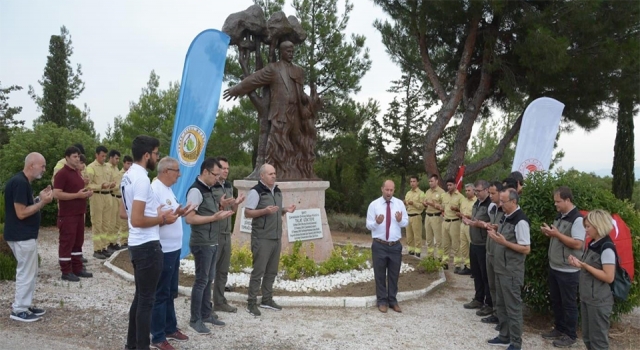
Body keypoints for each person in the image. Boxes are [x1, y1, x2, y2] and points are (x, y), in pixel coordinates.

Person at [223, 41, 319, 180]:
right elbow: (253, 80)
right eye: (288, 51)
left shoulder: (298, 71)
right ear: (281, 52)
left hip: (295, 112)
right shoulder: (273, 69)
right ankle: (275, 172)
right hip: (280, 113)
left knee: (299, 141)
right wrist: (236, 89)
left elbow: (300, 94)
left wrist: (312, 101)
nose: (291, 54)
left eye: (292, 51)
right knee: (276, 143)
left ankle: (304, 171)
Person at [121, 135, 179, 350]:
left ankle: (132, 345)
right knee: (146, 301)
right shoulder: (142, 179)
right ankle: (141, 346)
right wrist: (162, 218)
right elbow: (136, 220)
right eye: (156, 153)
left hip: (137, 245)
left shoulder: (127, 176)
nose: (157, 157)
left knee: (140, 299)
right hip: (147, 246)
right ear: (147, 155)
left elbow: (125, 213)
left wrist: (157, 213)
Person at [185, 157, 233, 333]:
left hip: (213, 241)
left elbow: (210, 211)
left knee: (208, 280)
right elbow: (189, 218)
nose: (217, 178)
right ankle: (195, 319)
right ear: (205, 172)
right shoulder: (196, 191)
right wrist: (214, 217)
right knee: (201, 281)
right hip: (202, 242)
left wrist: (221, 207)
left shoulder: (209, 189)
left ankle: (206, 314)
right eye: (215, 175)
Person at [150, 157, 193, 350]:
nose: (179, 174)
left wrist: (180, 211)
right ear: (166, 171)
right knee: (160, 293)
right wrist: (165, 218)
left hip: (174, 249)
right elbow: (150, 219)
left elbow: (170, 214)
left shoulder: (167, 190)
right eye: (176, 170)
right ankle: (158, 336)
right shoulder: (154, 189)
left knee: (169, 292)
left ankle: (170, 327)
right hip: (163, 249)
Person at [4, 153, 53, 322]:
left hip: (24, 235)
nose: (44, 169)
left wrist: (39, 197)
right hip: (21, 235)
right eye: (43, 165)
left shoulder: (23, 182)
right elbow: (21, 212)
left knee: (31, 271)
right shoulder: (19, 183)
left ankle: (25, 304)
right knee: (26, 272)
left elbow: (27, 205)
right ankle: (19, 309)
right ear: (31, 165)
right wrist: (43, 203)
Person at [244, 164, 296, 316]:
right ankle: (251, 302)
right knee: (258, 270)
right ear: (262, 176)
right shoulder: (256, 192)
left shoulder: (277, 191)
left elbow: (276, 212)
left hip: (275, 237)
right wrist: (264, 211)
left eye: (274, 173)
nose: (274, 176)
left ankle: (267, 299)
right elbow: (248, 213)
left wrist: (285, 210)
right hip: (262, 237)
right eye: (270, 174)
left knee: (272, 271)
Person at [540, 186, 585, 348]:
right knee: (556, 301)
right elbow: (560, 237)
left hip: (568, 270)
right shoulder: (560, 216)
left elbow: (578, 243)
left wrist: (557, 235)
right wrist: (550, 233)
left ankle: (570, 335)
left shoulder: (578, 219)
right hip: (555, 267)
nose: (556, 205)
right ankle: (559, 328)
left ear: (567, 200)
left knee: (569, 303)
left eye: (558, 201)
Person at [487, 188, 531, 350]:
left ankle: (516, 342)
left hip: (511, 271)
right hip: (500, 268)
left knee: (512, 307)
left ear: (513, 202)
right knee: (501, 304)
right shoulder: (507, 217)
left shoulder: (521, 221)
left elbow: (526, 248)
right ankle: (504, 336)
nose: (500, 204)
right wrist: (497, 230)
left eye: (503, 202)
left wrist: (504, 242)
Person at [568, 210, 616, 350]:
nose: (586, 230)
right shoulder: (594, 243)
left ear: (598, 226)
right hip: (588, 297)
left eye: (588, 226)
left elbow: (609, 276)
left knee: (598, 342)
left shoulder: (606, 247)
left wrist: (584, 266)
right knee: (588, 338)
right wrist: (578, 263)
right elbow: (588, 266)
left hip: (598, 300)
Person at [366, 180, 409, 313]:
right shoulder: (374, 205)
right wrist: (377, 222)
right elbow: (368, 225)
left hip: (395, 246)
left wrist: (400, 220)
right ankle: (382, 301)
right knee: (379, 274)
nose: (389, 192)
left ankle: (392, 300)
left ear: (393, 190)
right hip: (380, 245)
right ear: (382, 189)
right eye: (387, 190)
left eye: (391, 190)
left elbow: (405, 223)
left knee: (394, 274)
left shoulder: (399, 204)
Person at [52, 146, 94, 282]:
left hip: (79, 213)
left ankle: (77, 268)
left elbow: (77, 191)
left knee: (78, 242)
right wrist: (77, 195)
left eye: (78, 156)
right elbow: (57, 193)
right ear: (67, 158)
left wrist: (86, 192)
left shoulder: (77, 172)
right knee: (66, 242)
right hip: (68, 214)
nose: (77, 159)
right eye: (75, 157)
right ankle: (66, 271)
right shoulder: (62, 173)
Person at [212, 156, 245, 313]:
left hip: (226, 233)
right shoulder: (210, 187)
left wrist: (236, 204)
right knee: (209, 271)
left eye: (227, 169)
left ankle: (219, 301)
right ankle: (205, 306)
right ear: (216, 169)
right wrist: (220, 204)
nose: (226, 171)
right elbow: (205, 210)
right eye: (223, 168)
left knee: (223, 270)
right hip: (213, 233)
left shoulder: (228, 186)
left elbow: (231, 212)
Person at [461, 180, 492, 316]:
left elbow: (493, 223)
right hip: (474, 242)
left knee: (486, 275)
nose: (476, 193)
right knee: (477, 274)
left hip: (484, 244)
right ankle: (478, 299)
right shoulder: (477, 203)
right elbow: (476, 219)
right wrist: (469, 219)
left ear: (486, 190)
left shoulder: (491, 205)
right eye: (476, 191)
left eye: (478, 191)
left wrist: (480, 224)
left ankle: (489, 303)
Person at [86, 145, 115, 259]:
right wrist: (100, 186)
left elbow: (113, 180)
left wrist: (112, 184)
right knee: (97, 224)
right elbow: (88, 185)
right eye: (102, 156)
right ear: (96, 155)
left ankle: (104, 247)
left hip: (108, 196)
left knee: (106, 224)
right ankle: (97, 249)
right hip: (97, 196)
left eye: (105, 156)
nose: (104, 158)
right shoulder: (91, 167)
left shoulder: (108, 167)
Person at [481, 181, 504, 325]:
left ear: (501, 193)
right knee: (492, 285)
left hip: (499, 253)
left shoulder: (506, 211)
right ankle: (495, 312)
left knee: (500, 286)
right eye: (489, 193)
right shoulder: (493, 208)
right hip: (490, 250)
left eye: (493, 193)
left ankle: (502, 317)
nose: (491, 196)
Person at [435, 178, 463, 269]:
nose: (449, 187)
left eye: (450, 185)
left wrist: (457, 209)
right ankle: (445, 262)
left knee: (455, 244)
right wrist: (439, 207)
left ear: (455, 185)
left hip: (454, 222)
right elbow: (443, 207)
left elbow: (463, 211)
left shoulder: (460, 197)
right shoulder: (444, 196)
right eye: (447, 185)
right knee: (445, 244)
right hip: (445, 221)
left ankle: (457, 264)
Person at [422, 174, 445, 258]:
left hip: (437, 217)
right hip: (428, 216)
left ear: (436, 181)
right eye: (429, 181)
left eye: (432, 181)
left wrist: (433, 204)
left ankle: (439, 257)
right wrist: (424, 203)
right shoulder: (427, 192)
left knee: (438, 239)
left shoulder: (441, 192)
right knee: (428, 239)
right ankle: (430, 257)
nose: (430, 183)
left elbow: (443, 207)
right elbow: (425, 202)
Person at [455, 183, 475, 274]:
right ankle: (467, 266)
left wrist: (469, 216)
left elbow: (477, 216)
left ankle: (474, 267)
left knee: (472, 247)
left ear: (474, 191)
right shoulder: (463, 201)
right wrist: (460, 214)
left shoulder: (476, 201)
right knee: (463, 246)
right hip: (463, 225)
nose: (467, 192)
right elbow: (462, 212)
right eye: (466, 190)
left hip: (471, 226)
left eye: (469, 190)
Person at [404, 175, 424, 257]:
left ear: (417, 182)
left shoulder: (421, 193)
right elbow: (406, 206)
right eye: (411, 181)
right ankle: (410, 251)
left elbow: (422, 206)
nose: (412, 183)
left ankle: (418, 252)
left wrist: (414, 203)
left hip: (416, 216)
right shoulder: (408, 193)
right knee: (409, 235)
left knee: (417, 235)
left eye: (414, 181)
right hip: (408, 215)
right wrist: (404, 204)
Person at [106, 149, 122, 252]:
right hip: (111, 196)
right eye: (116, 158)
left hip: (118, 198)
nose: (117, 161)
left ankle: (114, 242)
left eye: (119, 159)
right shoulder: (107, 168)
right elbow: (108, 184)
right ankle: (108, 244)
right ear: (111, 157)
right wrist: (117, 186)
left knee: (117, 222)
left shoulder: (117, 169)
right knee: (110, 223)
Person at [118, 155, 133, 248]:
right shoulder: (121, 174)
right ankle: (123, 242)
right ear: (123, 163)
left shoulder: (131, 174)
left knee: (129, 222)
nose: (129, 165)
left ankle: (127, 240)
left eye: (131, 164)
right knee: (123, 223)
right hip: (122, 198)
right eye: (128, 163)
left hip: (129, 199)